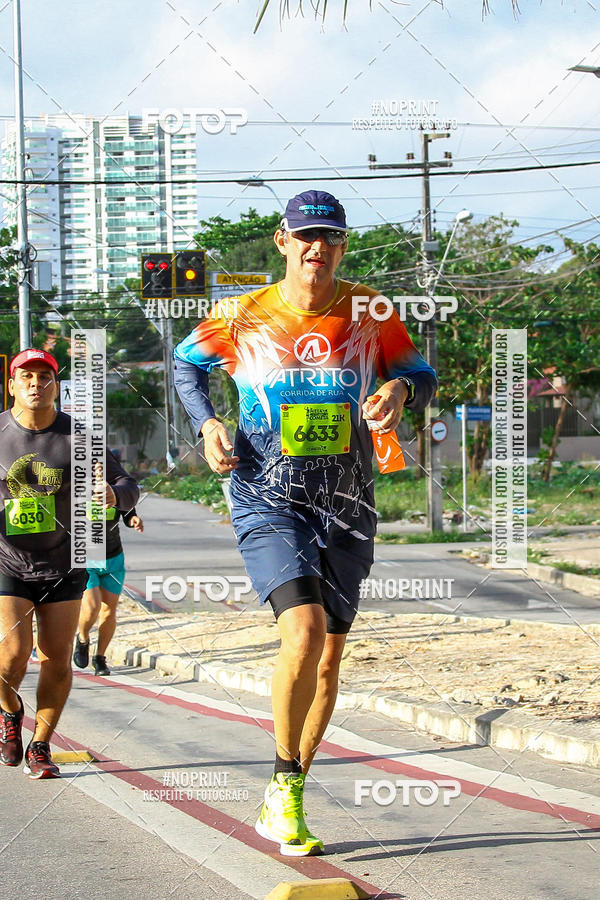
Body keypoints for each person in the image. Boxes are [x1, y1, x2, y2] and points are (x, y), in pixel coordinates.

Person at [173, 190, 437, 855]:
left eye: (331, 237)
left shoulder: (372, 309)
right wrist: (206, 422)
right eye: (306, 235)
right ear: (282, 241)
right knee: (305, 629)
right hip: (267, 496)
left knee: (328, 662)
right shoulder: (242, 313)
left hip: (348, 500)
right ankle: (287, 784)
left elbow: (420, 370)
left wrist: (399, 390)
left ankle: (283, 789)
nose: (318, 247)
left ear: (343, 246)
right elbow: (185, 366)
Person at [0, 349, 139, 779]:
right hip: (8, 561)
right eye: (26, 376)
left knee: (56, 657)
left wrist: (117, 497)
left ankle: (40, 744)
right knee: (11, 656)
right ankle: (9, 713)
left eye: (44, 376)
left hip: (65, 562)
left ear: (55, 386)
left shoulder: (80, 437)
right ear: (11, 385)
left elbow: (125, 482)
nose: (35, 384)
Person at [73, 488, 143, 676]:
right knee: (92, 607)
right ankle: (82, 638)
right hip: (86, 559)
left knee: (109, 610)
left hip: (113, 558)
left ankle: (100, 658)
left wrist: (133, 520)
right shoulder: (76, 485)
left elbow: (128, 511)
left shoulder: (115, 489)